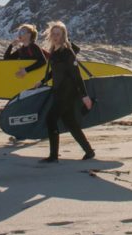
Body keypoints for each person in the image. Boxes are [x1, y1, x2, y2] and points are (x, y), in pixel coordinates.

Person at [15, 21, 94, 162]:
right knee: (70, 123)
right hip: (58, 90)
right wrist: (43, 81)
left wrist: (85, 96)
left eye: (59, 34)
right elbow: (55, 71)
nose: (56, 36)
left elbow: (77, 75)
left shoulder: (67, 52)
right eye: (54, 33)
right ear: (50, 35)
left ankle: (53, 156)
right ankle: (89, 151)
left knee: (51, 119)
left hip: (67, 92)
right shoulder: (54, 51)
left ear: (63, 35)